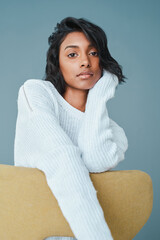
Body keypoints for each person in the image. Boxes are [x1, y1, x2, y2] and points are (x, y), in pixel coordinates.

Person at [14, 17, 128, 240]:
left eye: (94, 53)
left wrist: (101, 93)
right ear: (58, 62)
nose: (85, 62)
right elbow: (62, 157)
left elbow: (95, 160)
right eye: (73, 54)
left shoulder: (115, 133)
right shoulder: (36, 93)